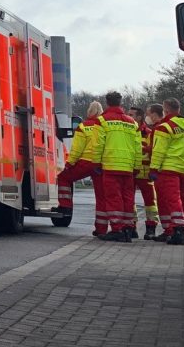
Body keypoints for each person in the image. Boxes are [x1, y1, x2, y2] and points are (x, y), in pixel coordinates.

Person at [151, 98, 184, 246]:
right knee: (180, 198)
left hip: (168, 167)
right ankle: (172, 229)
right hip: (183, 168)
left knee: (170, 199)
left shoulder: (164, 127)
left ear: (166, 110)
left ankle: (178, 230)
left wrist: (153, 168)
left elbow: (159, 150)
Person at [96, 92, 141, 242]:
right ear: (120, 103)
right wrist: (137, 165)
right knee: (128, 198)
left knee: (114, 198)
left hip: (110, 166)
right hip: (128, 167)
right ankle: (128, 227)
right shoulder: (132, 122)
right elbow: (137, 147)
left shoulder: (102, 120)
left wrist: (96, 163)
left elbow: (98, 145)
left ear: (107, 103)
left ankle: (117, 229)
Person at [58, 101, 105, 234]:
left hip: (85, 162)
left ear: (89, 112)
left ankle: (65, 206)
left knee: (63, 178)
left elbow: (77, 149)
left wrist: (69, 164)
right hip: (101, 163)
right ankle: (101, 228)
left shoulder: (83, 126)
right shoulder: (104, 125)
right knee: (101, 196)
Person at [134, 104, 162, 240]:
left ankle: (151, 228)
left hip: (145, 172)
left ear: (139, 117)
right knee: (128, 201)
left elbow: (154, 151)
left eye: (131, 115)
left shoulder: (149, 133)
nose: (129, 117)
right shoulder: (129, 131)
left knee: (150, 202)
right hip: (131, 170)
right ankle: (131, 226)